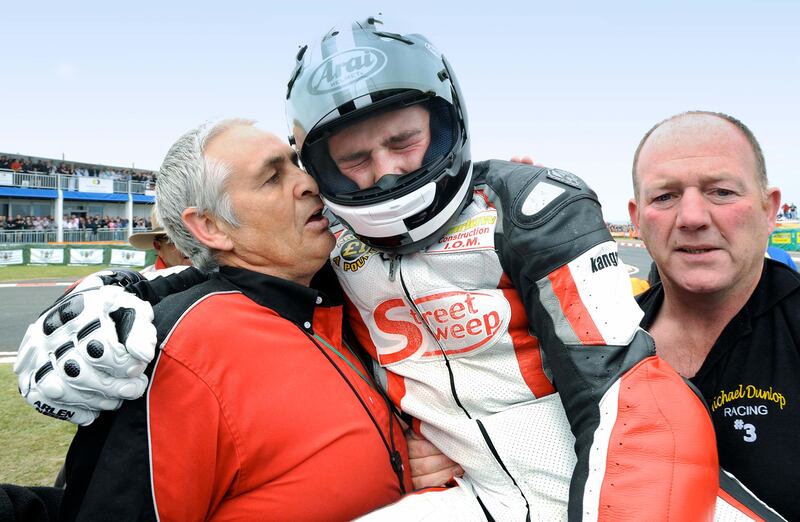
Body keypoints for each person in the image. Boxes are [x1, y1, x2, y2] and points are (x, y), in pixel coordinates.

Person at [14, 19, 778, 521]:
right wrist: (111, 296)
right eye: (350, 157)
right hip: (468, 496)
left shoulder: (530, 203)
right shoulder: (320, 249)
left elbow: (624, 390)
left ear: (445, 120)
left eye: (405, 141)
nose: (380, 174)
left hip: (598, 481)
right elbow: (232, 284)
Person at [3, 119, 410, 520]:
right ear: (211, 227)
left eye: (295, 165)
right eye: (271, 178)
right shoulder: (175, 350)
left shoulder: (328, 294)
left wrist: (403, 467)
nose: (309, 183)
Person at [629, 111, 800, 520]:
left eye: (721, 191)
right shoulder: (603, 340)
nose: (692, 218)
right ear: (636, 220)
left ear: (769, 209)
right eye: (665, 196)